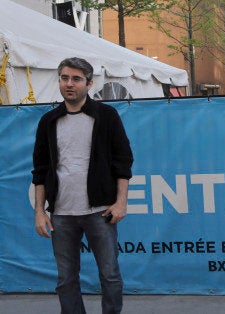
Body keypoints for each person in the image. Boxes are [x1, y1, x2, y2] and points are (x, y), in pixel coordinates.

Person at [32, 57, 134, 314]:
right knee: (66, 280)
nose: (69, 84)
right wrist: (39, 212)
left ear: (89, 84)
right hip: (61, 214)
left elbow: (123, 161)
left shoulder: (106, 116)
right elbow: (40, 171)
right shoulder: (48, 121)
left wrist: (121, 202)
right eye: (65, 78)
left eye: (76, 79)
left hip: (100, 212)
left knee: (110, 276)